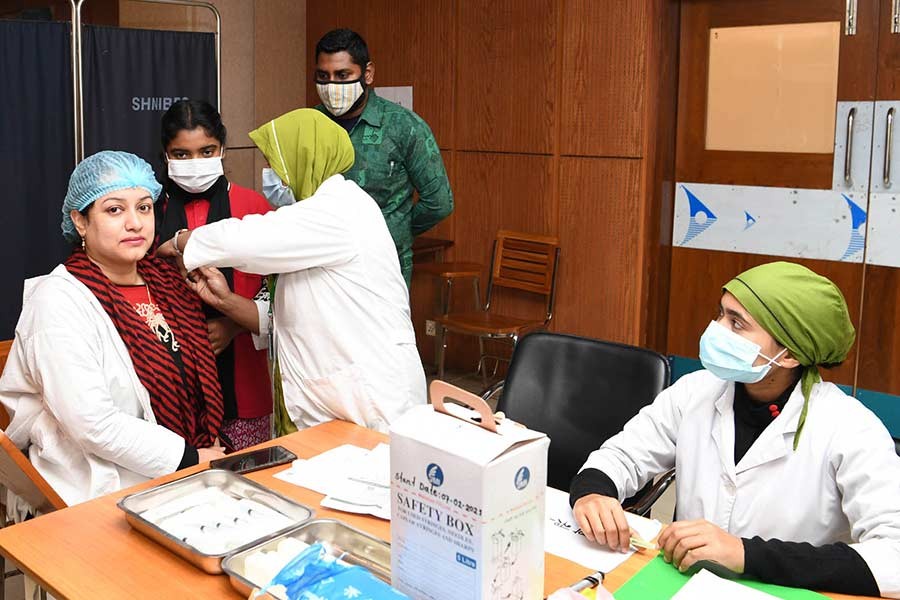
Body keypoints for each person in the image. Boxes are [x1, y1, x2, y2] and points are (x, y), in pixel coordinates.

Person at [570, 262, 900, 598]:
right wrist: (593, 492)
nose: (716, 329)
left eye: (736, 323)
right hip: (682, 584)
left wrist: (745, 554)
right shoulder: (696, 391)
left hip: (781, 591)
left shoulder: (850, 428)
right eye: (721, 314)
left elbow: (894, 560)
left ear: (789, 355)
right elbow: (621, 455)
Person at [157, 108, 426, 435]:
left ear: (305, 159)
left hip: (371, 394)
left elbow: (249, 240)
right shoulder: (323, 213)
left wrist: (184, 241)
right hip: (349, 394)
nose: (270, 174)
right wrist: (226, 301)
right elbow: (283, 314)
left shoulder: (337, 211)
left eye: (275, 165)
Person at [0, 151, 225, 510]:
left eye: (144, 207)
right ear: (80, 221)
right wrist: (189, 458)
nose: (135, 223)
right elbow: (94, 424)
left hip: (184, 476)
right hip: (99, 491)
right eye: (115, 210)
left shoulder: (167, 281)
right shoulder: (58, 302)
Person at [158, 99, 273, 449]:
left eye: (206, 151)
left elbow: (278, 291)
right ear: (165, 153)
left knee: (248, 488)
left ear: (222, 147)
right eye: (182, 155)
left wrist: (234, 324)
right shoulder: (148, 210)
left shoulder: (254, 207)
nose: (194, 164)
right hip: (166, 382)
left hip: (243, 380)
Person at [313, 28, 453, 286]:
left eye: (342, 75)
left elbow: (439, 202)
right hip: (322, 267)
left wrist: (393, 229)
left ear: (367, 74)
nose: (332, 85)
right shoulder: (309, 124)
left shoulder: (404, 126)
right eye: (324, 76)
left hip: (382, 266)